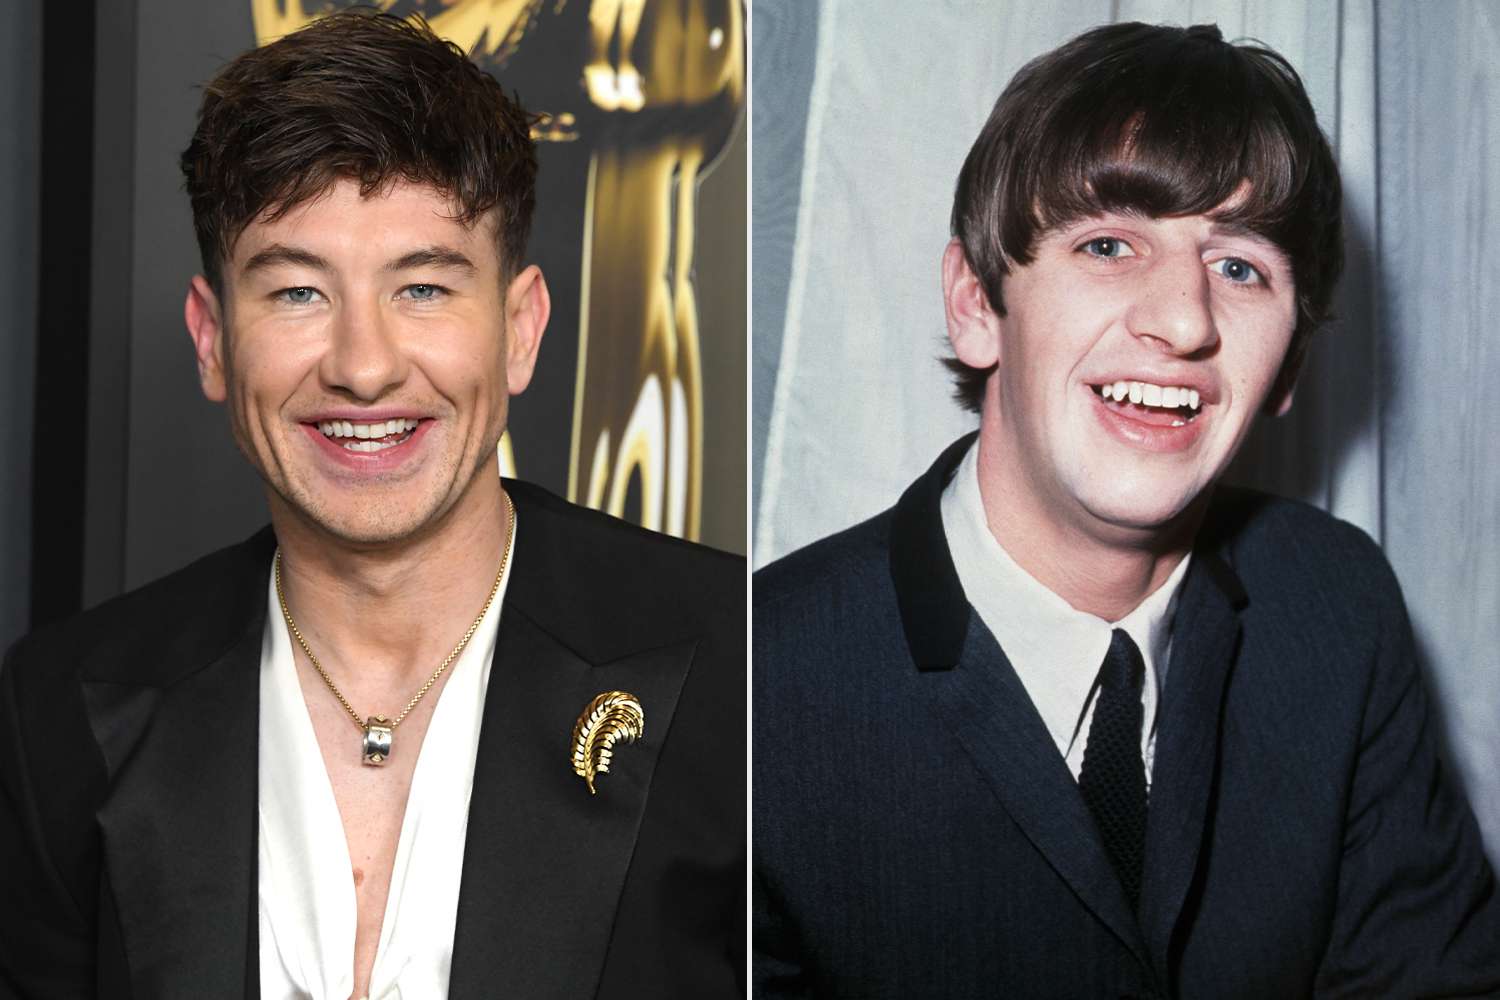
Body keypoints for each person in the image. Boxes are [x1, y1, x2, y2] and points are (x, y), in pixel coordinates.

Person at [0, 11, 742, 999]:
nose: (363, 365)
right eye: (298, 293)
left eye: (424, 289)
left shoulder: (746, 667)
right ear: (213, 339)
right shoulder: (60, 709)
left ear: (519, 329)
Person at [753, 21, 1500, 998]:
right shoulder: (764, 681)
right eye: (1108, 244)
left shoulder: (1335, 607)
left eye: (1241, 269)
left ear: (1287, 372)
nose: (1184, 319)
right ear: (977, 303)